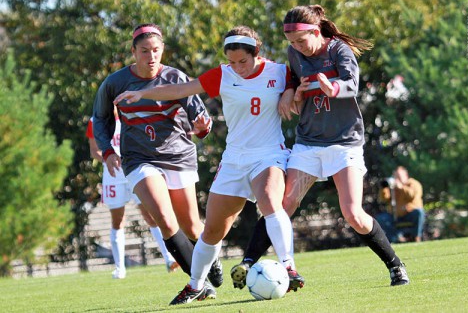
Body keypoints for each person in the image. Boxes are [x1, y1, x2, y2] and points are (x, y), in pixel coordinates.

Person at [114, 25, 305, 305]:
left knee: (269, 202)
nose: (237, 67)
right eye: (232, 61)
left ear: (257, 53)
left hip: (268, 155)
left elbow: (300, 82)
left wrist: (289, 90)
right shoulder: (222, 74)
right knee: (211, 231)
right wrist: (142, 94)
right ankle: (195, 286)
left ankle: (289, 267)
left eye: (243, 61)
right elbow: (180, 89)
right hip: (233, 160)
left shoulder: (279, 72)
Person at [230, 5, 410, 288]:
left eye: (301, 41)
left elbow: (352, 84)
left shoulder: (338, 51)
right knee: (282, 205)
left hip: (343, 143)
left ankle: (395, 265)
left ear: (316, 32)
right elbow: (291, 79)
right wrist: (291, 94)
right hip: (308, 143)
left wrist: (333, 88)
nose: (297, 48)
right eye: (291, 43)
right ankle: (248, 262)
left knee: (352, 214)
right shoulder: (295, 54)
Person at [92, 23, 222, 295]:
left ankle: (210, 257)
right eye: (144, 51)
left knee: (192, 227)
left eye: (155, 51)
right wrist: (107, 151)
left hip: (178, 155)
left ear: (162, 50)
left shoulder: (175, 78)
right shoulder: (115, 83)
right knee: (163, 217)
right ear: (133, 51)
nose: (150, 57)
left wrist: (201, 128)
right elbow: (100, 120)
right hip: (138, 159)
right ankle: (198, 285)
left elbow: (202, 122)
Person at [86, 113, 179, 278]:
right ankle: (120, 268)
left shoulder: (131, 113)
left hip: (135, 171)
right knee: (117, 220)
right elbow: (94, 151)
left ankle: (169, 258)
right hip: (113, 175)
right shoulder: (96, 121)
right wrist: (109, 158)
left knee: (151, 215)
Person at [376, 166, 425, 243]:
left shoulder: (413, 183)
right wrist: (384, 188)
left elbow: (412, 195)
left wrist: (401, 187)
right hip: (395, 215)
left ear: (406, 175)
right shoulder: (393, 187)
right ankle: (395, 239)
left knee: (419, 212)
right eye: (395, 176)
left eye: (399, 176)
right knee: (381, 218)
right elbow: (383, 199)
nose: (396, 178)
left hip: (410, 214)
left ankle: (416, 237)